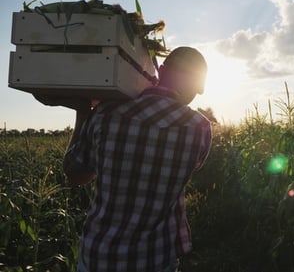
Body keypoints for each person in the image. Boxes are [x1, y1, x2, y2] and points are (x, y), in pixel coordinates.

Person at [50, 46, 212, 271]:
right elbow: (192, 166)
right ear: (196, 87)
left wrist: (84, 112)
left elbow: (76, 174)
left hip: (99, 257)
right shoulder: (199, 128)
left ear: (161, 71)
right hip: (156, 258)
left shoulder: (107, 113)